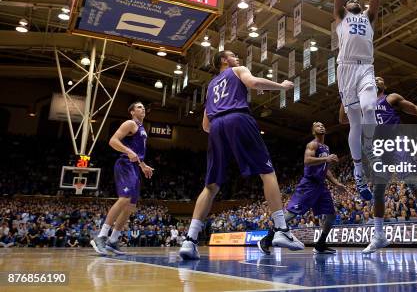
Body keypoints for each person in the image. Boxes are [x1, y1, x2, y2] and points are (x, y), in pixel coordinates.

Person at [179, 50, 304, 260]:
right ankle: (282, 229)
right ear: (224, 60)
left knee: (211, 186)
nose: (238, 58)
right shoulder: (237, 70)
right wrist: (281, 86)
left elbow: (205, 125)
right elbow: (253, 82)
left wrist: (223, 125)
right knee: (267, 172)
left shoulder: (210, 86)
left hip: (217, 127)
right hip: (238, 118)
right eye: (234, 56)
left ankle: (189, 241)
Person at [340, 75, 417, 253]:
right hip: (378, 150)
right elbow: (343, 119)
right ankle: (379, 235)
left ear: (384, 85)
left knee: (412, 182)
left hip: (396, 143)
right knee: (378, 191)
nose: (377, 79)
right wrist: (347, 94)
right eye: (374, 77)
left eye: (380, 78)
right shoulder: (363, 105)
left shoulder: (391, 98)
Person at [334, 0, 381, 201]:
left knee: (369, 108)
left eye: (356, 0)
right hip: (346, 70)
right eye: (349, 0)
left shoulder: (368, 18)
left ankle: (372, 151)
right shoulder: (341, 18)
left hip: (365, 69)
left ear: (361, 6)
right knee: (354, 122)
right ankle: (358, 171)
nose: (352, 0)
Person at [259, 122, 347, 255]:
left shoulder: (326, 147)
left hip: (321, 186)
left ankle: (320, 245)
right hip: (309, 184)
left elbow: (325, 169)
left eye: (323, 125)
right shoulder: (312, 144)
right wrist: (326, 159)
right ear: (313, 131)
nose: (321, 127)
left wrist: (336, 183)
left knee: (331, 216)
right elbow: (307, 160)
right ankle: (266, 240)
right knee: (292, 214)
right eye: (318, 126)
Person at [90, 101, 154, 256]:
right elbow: (113, 141)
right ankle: (101, 236)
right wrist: (127, 151)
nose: (143, 108)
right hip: (124, 164)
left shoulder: (142, 128)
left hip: (134, 166)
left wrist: (143, 165)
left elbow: (136, 153)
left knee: (131, 207)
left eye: (143, 107)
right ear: (131, 112)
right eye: (139, 107)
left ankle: (113, 240)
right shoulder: (130, 123)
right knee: (124, 198)